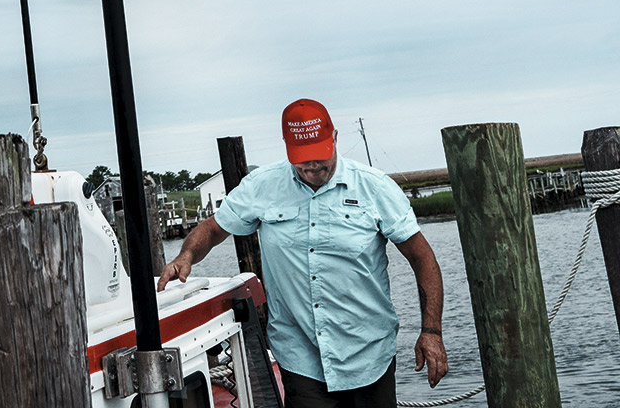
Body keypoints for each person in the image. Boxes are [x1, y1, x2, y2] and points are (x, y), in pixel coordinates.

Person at [159, 99, 447, 408]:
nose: (312, 167)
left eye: (319, 157)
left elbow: (422, 258)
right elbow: (215, 228)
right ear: (286, 147)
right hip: (300, 356)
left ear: (334, 138)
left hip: (368, 352)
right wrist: (186, 255)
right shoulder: (262, 186)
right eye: (302, 159)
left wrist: (431, 331)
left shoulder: (375, 188)